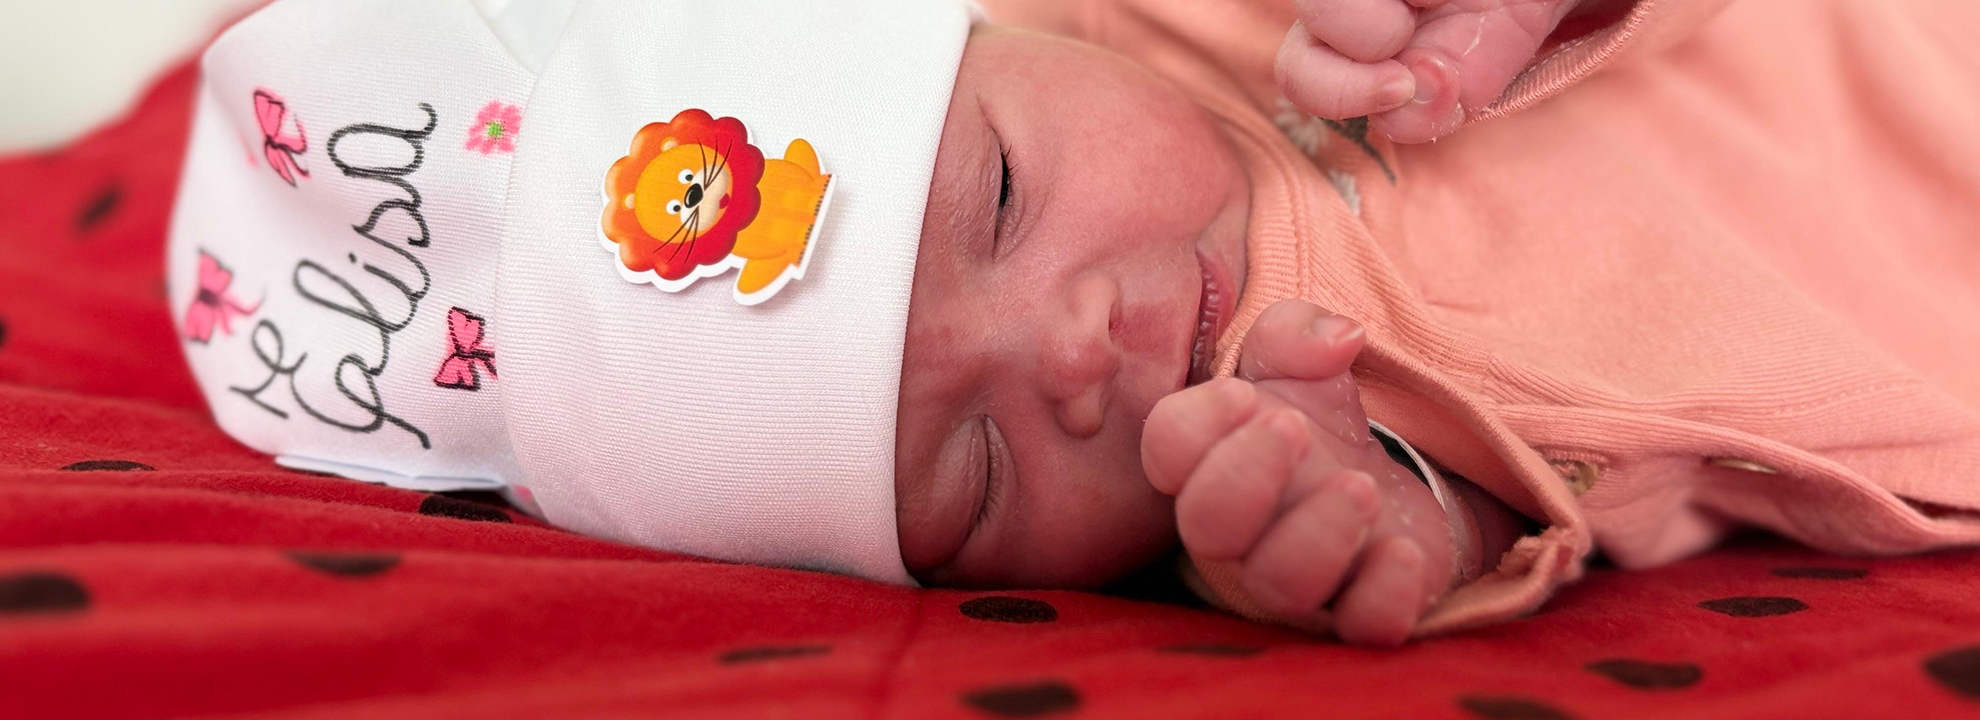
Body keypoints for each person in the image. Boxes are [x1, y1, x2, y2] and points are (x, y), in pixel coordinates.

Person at [170, 0, 1980, 646]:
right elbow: (1572, 491)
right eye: (968, 475)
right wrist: (1402, 512)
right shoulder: (1237, 488)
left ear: (996, 36)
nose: (1070, 354)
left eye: (1005, 203)